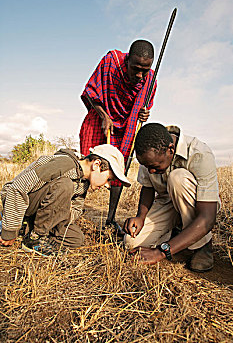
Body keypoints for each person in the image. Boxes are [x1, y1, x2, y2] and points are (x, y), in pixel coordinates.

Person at [0, 144, 130, 256]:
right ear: (96, 165)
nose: (107, 186)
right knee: (65, 186)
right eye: (108, 179)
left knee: (76, 238)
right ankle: (34, 238)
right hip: (22, 202)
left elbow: (76, 210)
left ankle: (28, 228)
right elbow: (17, 188)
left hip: (41, 213)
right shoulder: (64, 164)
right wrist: (9, 230)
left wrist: (61, 213)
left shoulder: (84, 183)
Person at [79, 40, 157, 226]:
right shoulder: (111, 62)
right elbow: (90, 92)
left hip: (127, 126)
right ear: (128, 60)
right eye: (135, 68)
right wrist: (104, 115)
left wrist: (144, 113)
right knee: (87, 164)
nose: (139, 75)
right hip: (100, 118)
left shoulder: (150, 80)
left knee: (119, 169)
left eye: (144, 71)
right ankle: (76, 208)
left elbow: (145, 106)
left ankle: (110, 218)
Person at [124, 123, 220, 272]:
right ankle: (178, 235)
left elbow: (207, 218)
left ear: (170, 149)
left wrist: (161, 252)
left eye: (155, 166)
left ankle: (202, 246)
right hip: (167, 203)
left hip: (196, 205)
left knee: (177, 178)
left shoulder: (199, 154)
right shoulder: (149, 154)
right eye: (147, 166)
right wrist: (140, 216)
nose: (151, 170)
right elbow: (148, 187)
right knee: (131, 242)